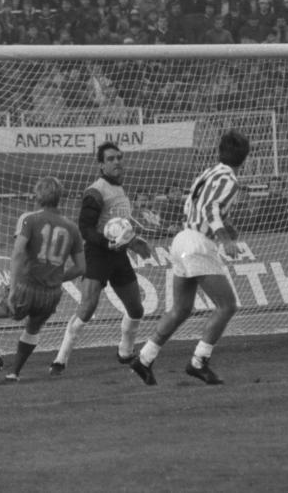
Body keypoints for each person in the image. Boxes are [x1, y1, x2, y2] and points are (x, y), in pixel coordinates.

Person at [130, 130, 251, 386]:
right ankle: (198, 362)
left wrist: (225, 226)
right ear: (245, 158)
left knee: (181, 309)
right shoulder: (229, 179)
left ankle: (144, 358)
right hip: (198, 243)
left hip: (182, 238)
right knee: (227, 306)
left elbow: (192, 205)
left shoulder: (207, 173)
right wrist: (225, 238)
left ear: (219, 152)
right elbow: (209, 208)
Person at [50, 142, 152, 374]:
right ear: (101, 165)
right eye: (111, 159)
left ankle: (125, 352)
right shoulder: (95, 191)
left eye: (119, 157)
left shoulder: (120, 190)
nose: (117, 162)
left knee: (136, 309)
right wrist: (108, 243)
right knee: (87, 306)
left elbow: (119, 228)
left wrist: (134, 242)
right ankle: (60, 359)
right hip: (97, 255)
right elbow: (85, 229)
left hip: (119, 256)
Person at [0, 176, 85, 383]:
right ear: (59, 197)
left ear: (38, 196)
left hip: (27, 286)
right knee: (33, 327)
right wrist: (56, 276)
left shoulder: (31, 220)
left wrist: (13, 290)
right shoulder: (72, 227)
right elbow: (81, 267)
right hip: (52, 292)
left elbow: (18, 254)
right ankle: (14, 372)